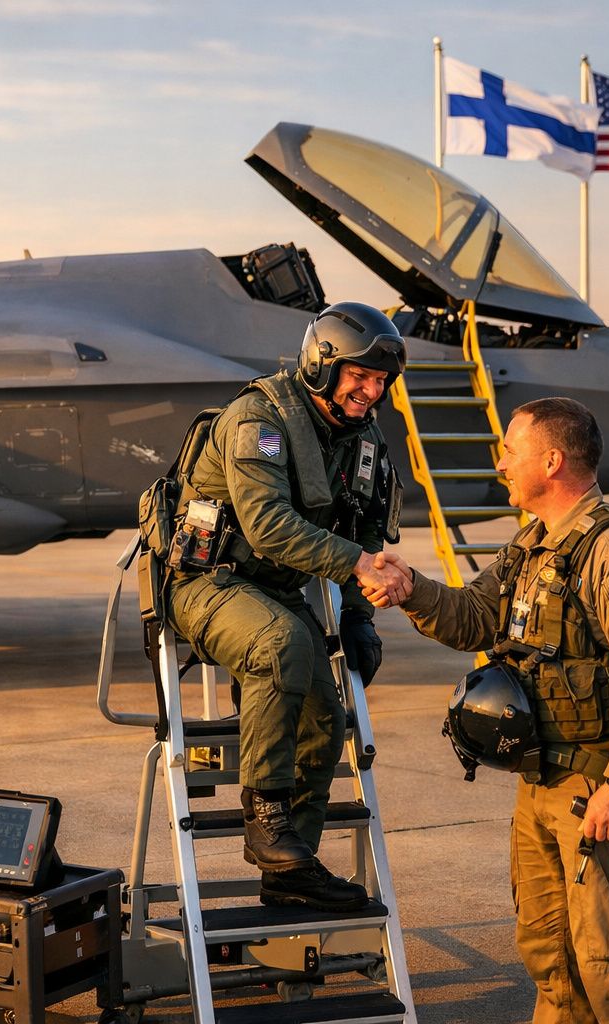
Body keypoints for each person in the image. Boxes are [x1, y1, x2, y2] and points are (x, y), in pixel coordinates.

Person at [381, 397, 609, 1023]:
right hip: (541, 786)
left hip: (597, 790)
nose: (500, 464)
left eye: (511, 450)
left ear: (550, 460)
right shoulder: (533, 545)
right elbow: (475, 619)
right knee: (553, 964)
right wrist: (410, 588)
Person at [159, 301, 411, 911]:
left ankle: (290, 872)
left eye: (380, 382)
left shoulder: (364, 439)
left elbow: (366, 529)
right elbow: (268, 526)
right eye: (360, 377)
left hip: (272, 591)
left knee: (324, 714)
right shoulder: (260, 419)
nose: (371, 392)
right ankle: (266, 820)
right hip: (206, 584)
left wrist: (358, 614)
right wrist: (353, 566)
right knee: (283, 645)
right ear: (322, 365)